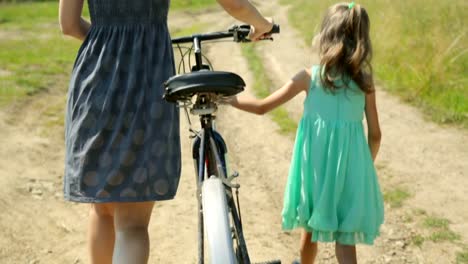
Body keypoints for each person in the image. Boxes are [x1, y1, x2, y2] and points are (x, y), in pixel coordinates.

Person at [58, 0, 273, 263]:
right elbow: (233, 3)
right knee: (132, 225)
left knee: (102, 209)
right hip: (147, 80)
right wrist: (262, 25)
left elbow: (68, 25)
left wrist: (110, 39)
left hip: (96, 80)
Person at [227, 2, 384, 263]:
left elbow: (263, 107)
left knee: (310, 230)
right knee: (345, 240)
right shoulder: (364, 82)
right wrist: (364, 167)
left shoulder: (309, 77)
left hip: (316, 172)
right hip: (350, 172)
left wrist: (230, 100)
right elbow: (376, 134)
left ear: (324, 36)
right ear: (361, 40)